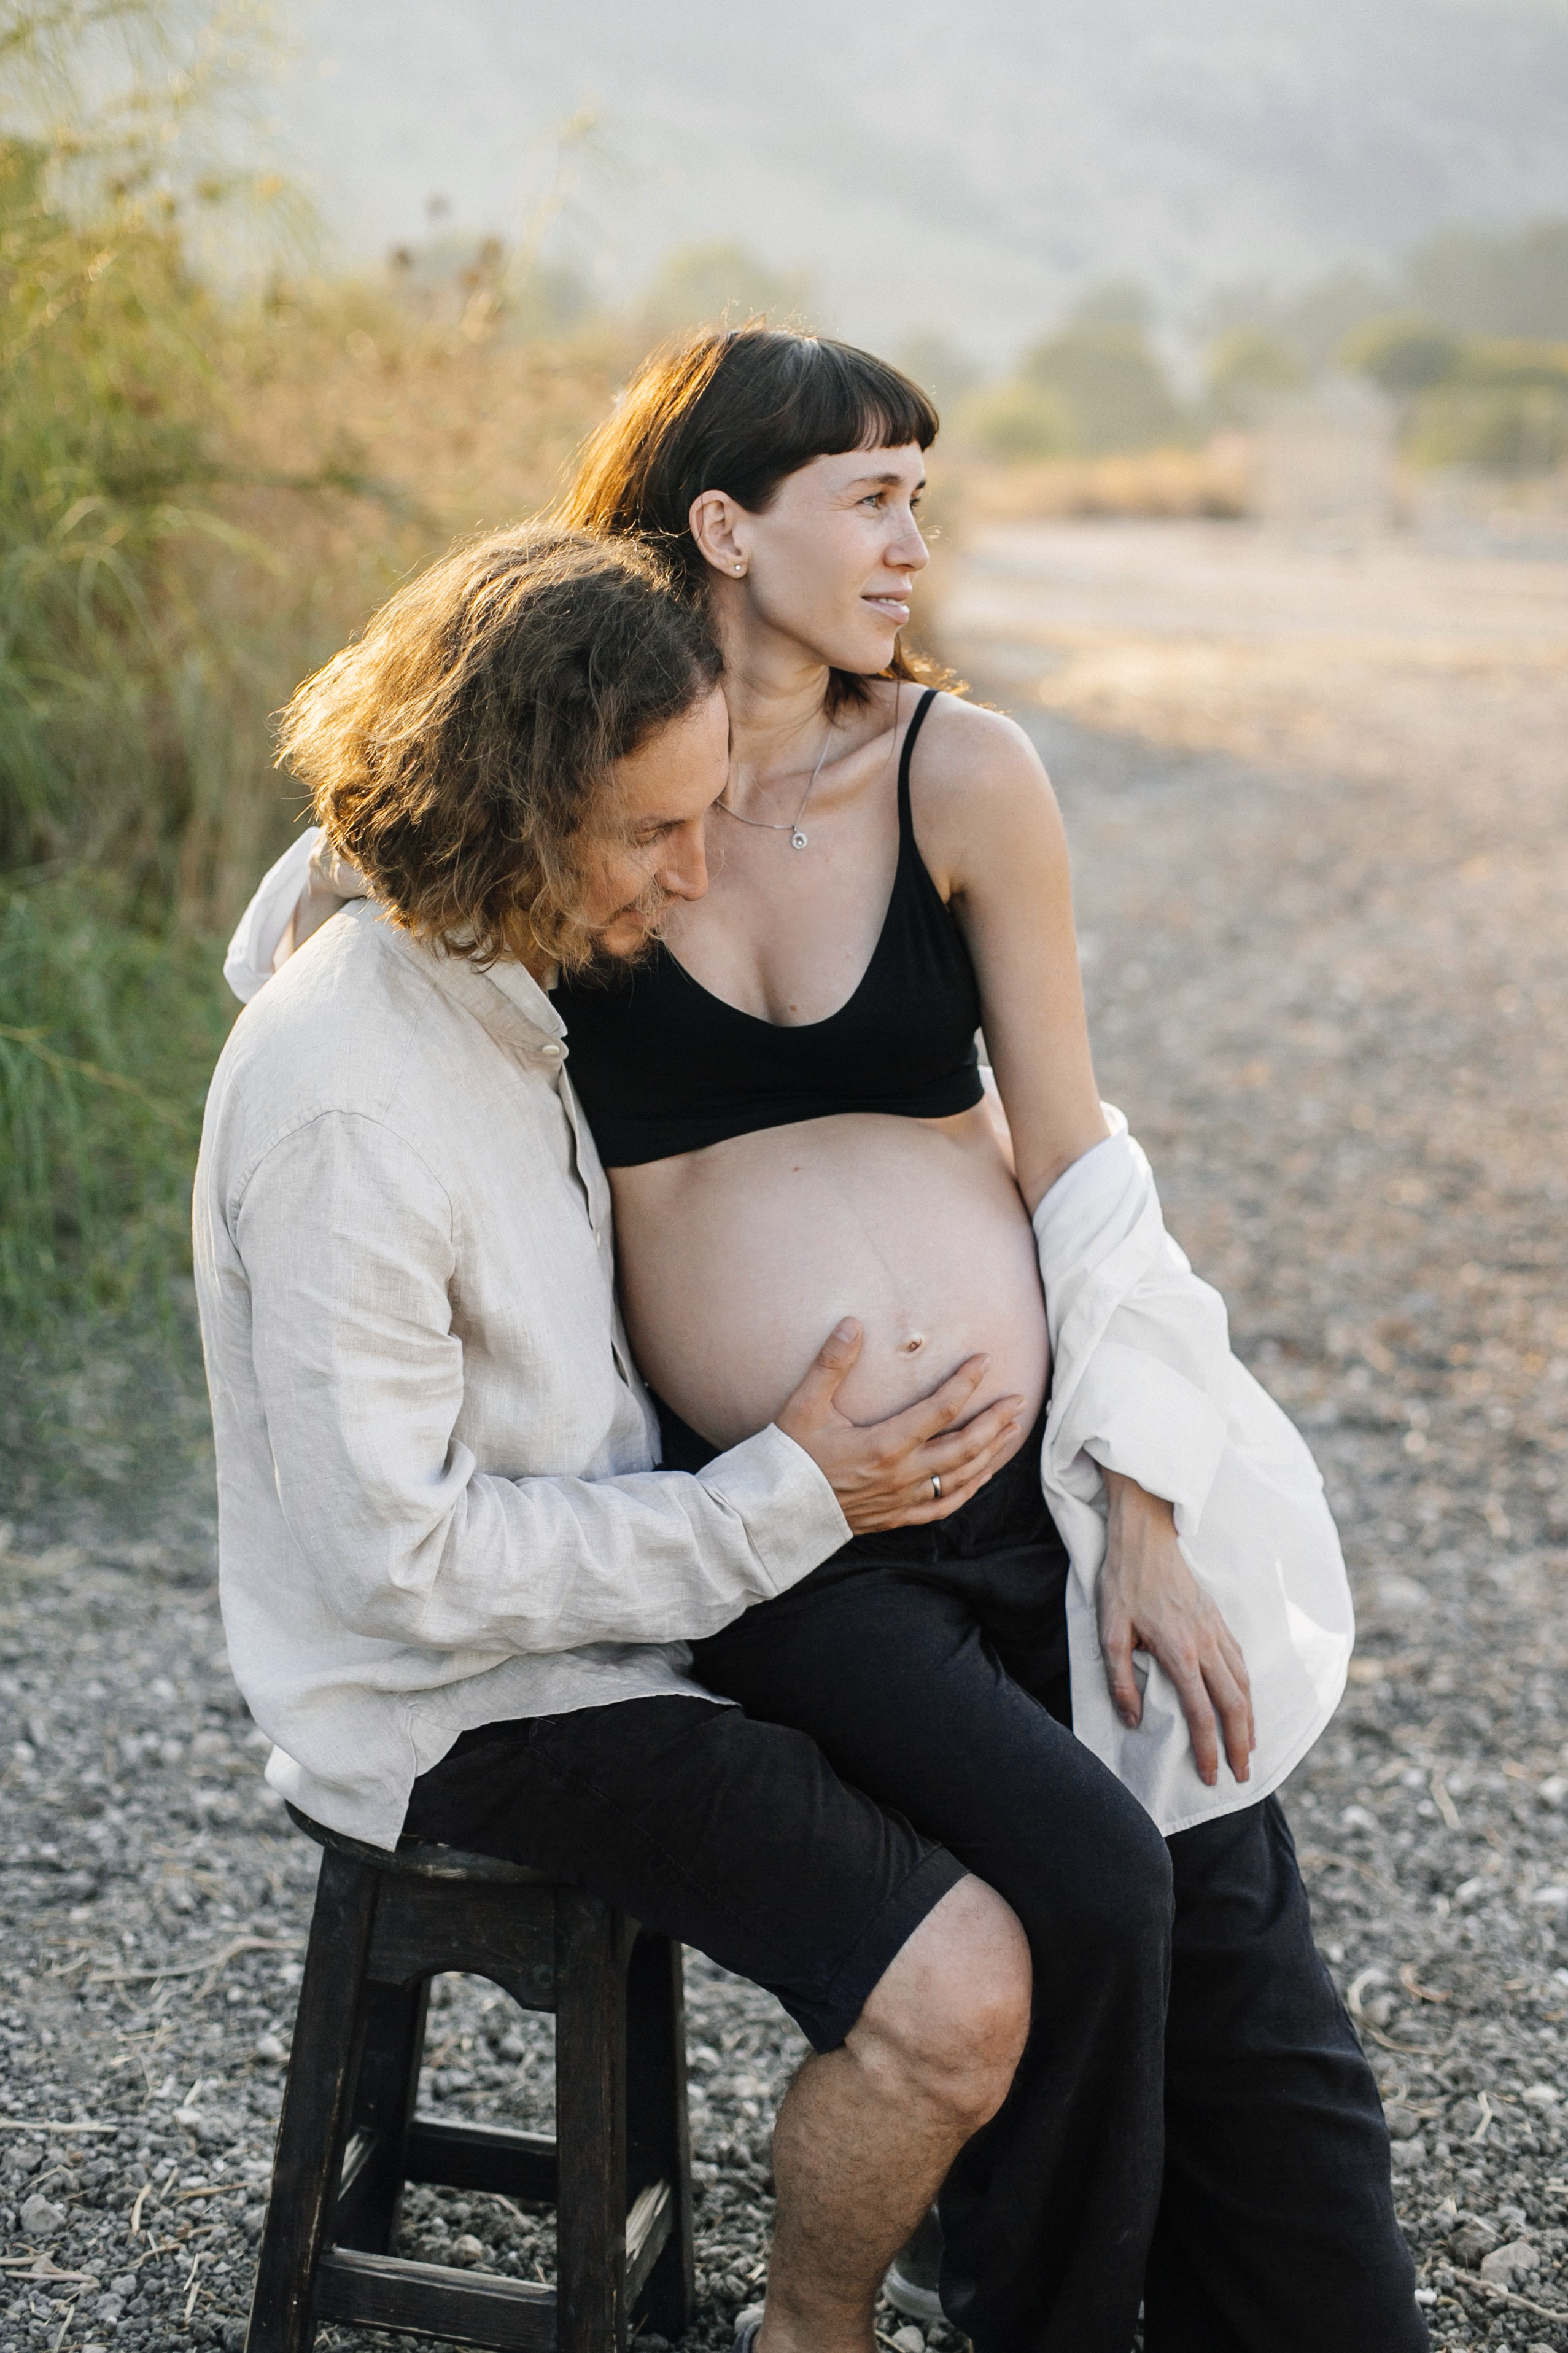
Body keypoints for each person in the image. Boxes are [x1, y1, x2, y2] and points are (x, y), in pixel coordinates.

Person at [229, 335, 1425, 2353]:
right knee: (1083, 1890)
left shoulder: (963, 773)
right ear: (723, 521)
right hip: (787, 1532)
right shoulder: (582, 796)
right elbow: (347, 914)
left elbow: (1083, 1165)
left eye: (921, 497)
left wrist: (1141, 1501)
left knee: (1241, 1983)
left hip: (1032, 1487)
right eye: (871, 495)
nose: (910, 541)